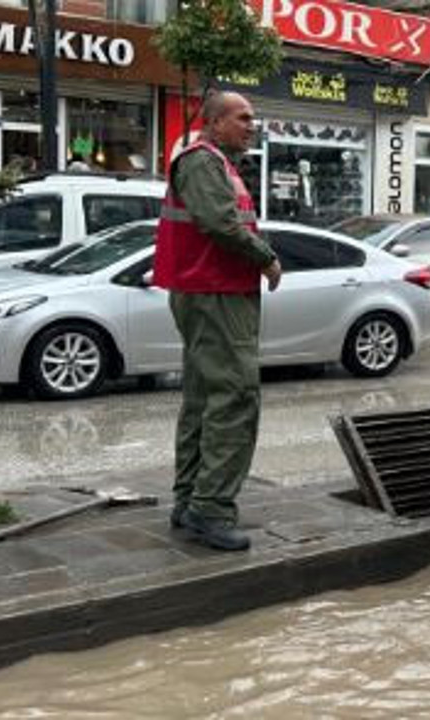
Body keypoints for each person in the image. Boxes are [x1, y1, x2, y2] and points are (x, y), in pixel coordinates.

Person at [152, 91, 283, 552]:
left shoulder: (213, 163)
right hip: (214, 294)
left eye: (253, 118)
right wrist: (266, 259)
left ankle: (191, 502)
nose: (252, 125)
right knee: (234, 398)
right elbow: (221, 223)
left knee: (205, 399)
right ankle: (210, 510)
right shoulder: (203, 161)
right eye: (242, 118)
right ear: (214, 122)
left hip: (211, 292)